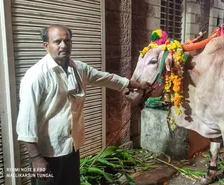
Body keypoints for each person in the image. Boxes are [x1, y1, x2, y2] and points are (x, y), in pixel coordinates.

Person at [16, 25, 151, 185]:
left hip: (72, 147)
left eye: (67, 41)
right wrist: (36, 158)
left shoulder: (78, 68)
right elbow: (25, 123)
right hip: (47, 153)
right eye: (57, 42)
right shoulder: (36, 76)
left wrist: (137, 84)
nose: (63, 45)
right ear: (46, 45)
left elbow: (107, 78)